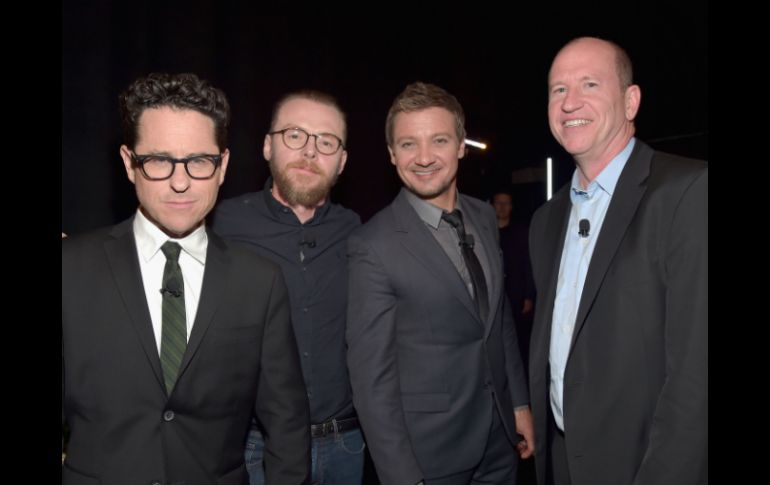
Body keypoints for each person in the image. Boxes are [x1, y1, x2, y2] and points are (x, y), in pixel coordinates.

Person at [62, 72, 311, 485]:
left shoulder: (259, 282)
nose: (180, 182)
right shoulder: (71, 267)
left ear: (222, 165)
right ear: (129, 163)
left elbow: (287, 427)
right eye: (159, 160)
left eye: (198, 161)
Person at [528, 37, 708, 485]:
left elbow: (696, 375)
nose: (570, 102)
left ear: (630, 101)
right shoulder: (545, 221)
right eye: (557, 90)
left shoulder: (687, 192)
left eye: (589, 84)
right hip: (563, 462)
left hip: (646, 464)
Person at [346, 82, 534, 485]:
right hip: (428, 456)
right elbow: (371, 382)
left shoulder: (484, 216)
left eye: (439, 140)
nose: (425, 157)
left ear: (462, 146)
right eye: (409, 144)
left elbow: (497, 322)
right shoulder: (371, 245)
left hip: (500, 440)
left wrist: (519, 405)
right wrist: (401, 476)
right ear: (392, 154)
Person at [211, 90, 363, 485]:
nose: (310, 151)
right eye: (294, 135)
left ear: (342, 160)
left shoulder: (359, 234)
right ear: (267, 146)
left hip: (345, 445)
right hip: (254, 450)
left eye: (326, 142)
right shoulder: (220, 225)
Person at [491, 190, 535, 370]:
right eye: (498, 203)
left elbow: (529, 264)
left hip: (516, 296)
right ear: (492, 205)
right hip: (493, 298)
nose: (502, 207)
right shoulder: (485, 231)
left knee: (517, 344)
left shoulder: (522, 233)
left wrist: (529, 296)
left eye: (506, 203)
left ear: (511, 207)